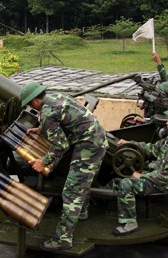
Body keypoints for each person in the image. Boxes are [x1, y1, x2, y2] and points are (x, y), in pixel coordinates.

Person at [20, 82, 107, 251]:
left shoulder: (46, 113)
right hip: (96, 138)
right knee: (83, 182)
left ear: (35, 101)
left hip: (89, 146)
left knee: (72, 190)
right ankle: (81, 212)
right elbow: (65, 120)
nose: (32, 107)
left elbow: (61, 145)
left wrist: (43, 162)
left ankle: (63, 239)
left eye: (30, 104)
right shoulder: (57, 97)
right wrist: (41, 129)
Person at [112, 105, 168, 236]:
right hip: (157, 176)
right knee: (116, 180)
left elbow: (167, 176)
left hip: (166, 184)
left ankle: (130, 223)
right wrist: (130, 143)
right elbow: (151, 149)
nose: (167, 123)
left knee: (126, 184)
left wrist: (142, 176)